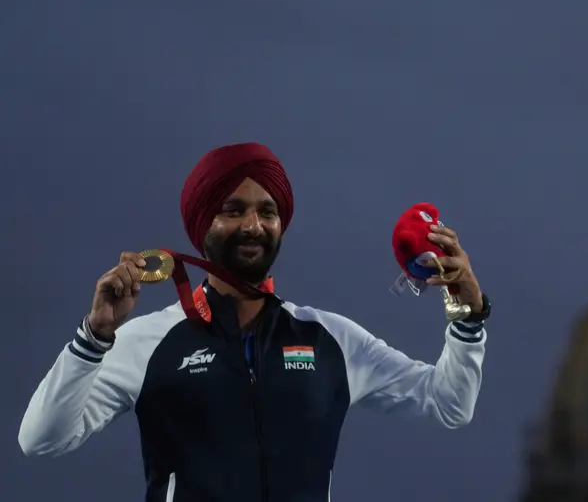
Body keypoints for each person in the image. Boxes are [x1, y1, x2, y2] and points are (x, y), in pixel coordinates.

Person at [18, 142, 491, 502]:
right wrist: (94, 336)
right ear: (201, 225)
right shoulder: (146, 341)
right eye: (232, 210)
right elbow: (41, 440)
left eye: (268, 211)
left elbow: (449, 404)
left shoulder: (331, 339)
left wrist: (466, 314)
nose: (253, 225)